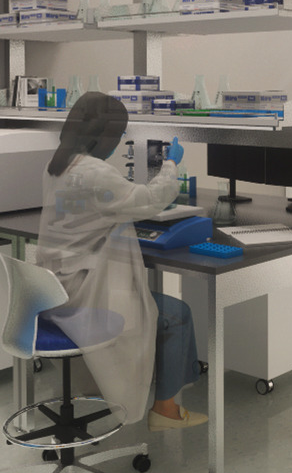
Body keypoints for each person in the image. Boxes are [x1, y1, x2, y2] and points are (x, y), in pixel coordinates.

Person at [36, 92, 205, 431]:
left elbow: (103, 208)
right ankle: (166, 410)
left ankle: (163, 395)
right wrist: (171, 164)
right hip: (85, 296)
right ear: (106, 136)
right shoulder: (94, 174)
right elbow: (149, 199)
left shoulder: (58, 165)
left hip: (55, 289)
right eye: (120, 135)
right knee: (176, 315)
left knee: (164, 310)